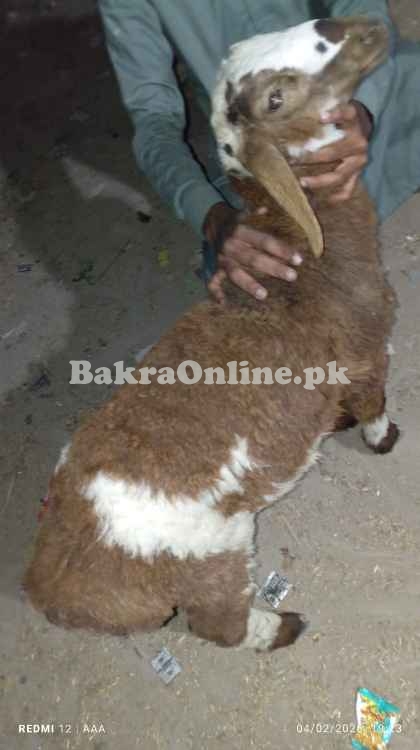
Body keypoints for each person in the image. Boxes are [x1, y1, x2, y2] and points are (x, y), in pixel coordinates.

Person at [99, 1, 420, 301]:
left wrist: (364, 108)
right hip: (266, 160)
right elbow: (154, 119)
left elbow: (364, 11)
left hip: (354, 90)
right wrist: (212, 217)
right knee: (268, 277)